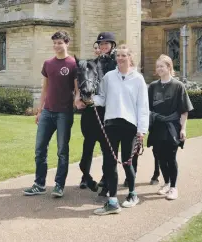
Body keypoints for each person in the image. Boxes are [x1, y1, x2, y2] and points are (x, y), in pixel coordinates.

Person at [90, 44, 149, 215]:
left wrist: (142, 131)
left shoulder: (138, 79)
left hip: (130, 126)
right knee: (109, 163)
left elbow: (143, 107)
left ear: (130, 58)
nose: (121, 58)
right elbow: (102, 98)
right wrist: (88, 98)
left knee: (127, 161)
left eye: (124, 55)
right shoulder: (109, 77)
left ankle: (132, 194)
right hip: (111, 124)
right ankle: (113, 202)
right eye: (118, 56)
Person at [23, 30, 78, 198]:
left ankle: (59, 185)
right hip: (48, 112)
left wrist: (78, 99)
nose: (56, 46)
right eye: (54, 43)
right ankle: (39, 184)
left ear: (67, 43)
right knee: (40, 149)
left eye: (60, 43)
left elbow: (77, 90)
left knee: (62, 151)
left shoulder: (73, 64)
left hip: (64, 113)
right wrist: (39, 110)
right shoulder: (48, 64)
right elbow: (45, 88)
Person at [76, 32, 117, 200]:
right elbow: (82, 79)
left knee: (107, 147)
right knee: (88, 144)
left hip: (107, 110)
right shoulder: (92, 62)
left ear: (112, 45)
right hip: (91, 109)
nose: (104, 46)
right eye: (101, 44)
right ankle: (85, 174)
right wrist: (78, 97)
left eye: (107, 43)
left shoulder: (116, 62)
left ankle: (106, 178)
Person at [147, 54, 194, 200]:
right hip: (157, 126)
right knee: (159, 157)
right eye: (157, 66)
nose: (159, 69)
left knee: (171, 157)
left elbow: (184, 110)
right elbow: (147, 108)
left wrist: (183, 128)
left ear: (169, 67)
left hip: (172, 126)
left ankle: (173, 187)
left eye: (162, 66)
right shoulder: (153, 86)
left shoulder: (178, 86)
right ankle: (166, 183)